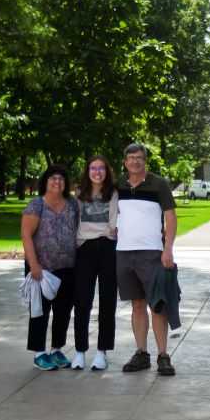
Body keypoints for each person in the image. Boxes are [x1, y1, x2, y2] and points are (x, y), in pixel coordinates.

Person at [114, 143, 179, 375]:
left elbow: (170, 217)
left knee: (158, 305)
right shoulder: (118, 185)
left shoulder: (158, 184)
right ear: (125, 162)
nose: (135, 162)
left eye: (139, 158)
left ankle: (163, 355)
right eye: (131, 158)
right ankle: (141, 353)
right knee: (137, 304)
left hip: (152, 252)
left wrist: (168, 249)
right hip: (123, 252)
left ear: (145, 161)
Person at [20, 165, 79, 370]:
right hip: (41, 268)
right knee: (39, 311)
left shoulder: (72, 204)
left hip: (68, 267)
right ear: (45, 181)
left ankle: (56, 349)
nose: (57, 182)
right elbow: (26, 235)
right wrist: (33, 265)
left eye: (61, 179)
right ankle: (39, 353)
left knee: (63, 311)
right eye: (53, 178)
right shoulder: (37, 205)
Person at [70, 154, 120, 371]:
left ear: (107, 171)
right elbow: (76, 220)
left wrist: (105, 233)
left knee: (107, 301)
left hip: (108, 248)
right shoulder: (79, 193)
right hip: (85, 249)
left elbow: (113, 223)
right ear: (87, 171)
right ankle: (80, 351)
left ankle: (102, 352)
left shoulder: (113, 193)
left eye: (101, 168)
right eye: (93, 168)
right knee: (82, 301)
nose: (97, 172)